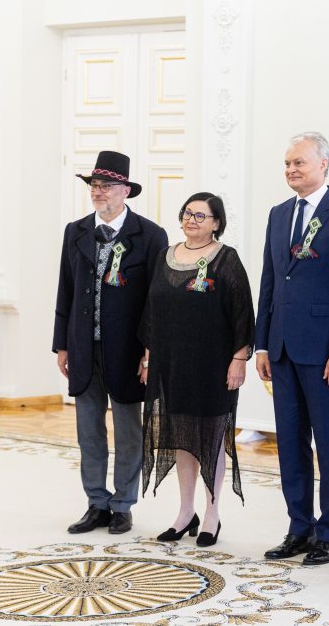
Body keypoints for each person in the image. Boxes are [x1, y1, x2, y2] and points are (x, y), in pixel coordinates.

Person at [255, 131, 329, 566]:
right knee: (290, 444)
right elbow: (270, 280)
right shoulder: (278, 214)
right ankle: (298, 527)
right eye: (287, 163)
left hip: (325, 356)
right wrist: (262, 342)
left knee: (328, 445)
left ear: (323, 165)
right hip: (282, 349)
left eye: (298, 163)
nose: (290, 170)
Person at [53, 150, 168, 535]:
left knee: (128, 429)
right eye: (94, 186)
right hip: (84, 347)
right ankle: (96, 503)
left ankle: (122, 504)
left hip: (128, 352)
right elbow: (65, 291)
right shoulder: (76, 231)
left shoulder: (150, 236)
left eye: (105, 186)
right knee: (88, 430)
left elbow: (156, 299)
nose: (98, 193)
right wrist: (62, 345)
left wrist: (151, 347)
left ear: (125, 191)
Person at [139, 192, 255, 547]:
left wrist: (239, 359)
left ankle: (212, 513)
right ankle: (185, 511)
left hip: (212, 366)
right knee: (181, 439)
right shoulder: (165, 256)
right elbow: (151, 310)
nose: (192, 220)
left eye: (201, 216)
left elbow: (242, 314)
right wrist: (147, 357)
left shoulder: (226, 260)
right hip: (170, 363)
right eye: (188, 213)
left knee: (211, 438)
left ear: (217, 222)